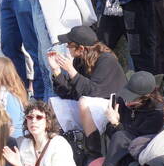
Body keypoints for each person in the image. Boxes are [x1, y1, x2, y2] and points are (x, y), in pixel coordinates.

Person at [82, 71, 164, 166]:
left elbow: (139, 138)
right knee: (122, 151)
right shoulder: (122, 102)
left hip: (146, 149)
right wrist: (113, 123)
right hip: (124, 148)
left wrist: (116, 123)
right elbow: (112, 134)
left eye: (132, 99)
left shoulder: (157, 112)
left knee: (121, 142)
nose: (127, 101)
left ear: (146, 97)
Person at [48, 25, 126, 157]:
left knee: (84, 101)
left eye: (70, 44)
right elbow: (71, 93)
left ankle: (93, 155)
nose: (67, 47)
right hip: (90, 108)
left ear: (81, 48)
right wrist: (57, 72)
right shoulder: (80, 60)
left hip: (112, 108)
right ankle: (61, 153)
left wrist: (72, 72)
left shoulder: (107, 60)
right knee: (54, 103)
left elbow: (93, 91)